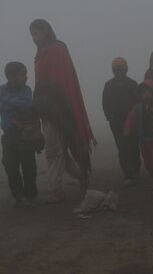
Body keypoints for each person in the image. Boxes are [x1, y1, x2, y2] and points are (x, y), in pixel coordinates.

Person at [30, 19, 95, 203]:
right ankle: (79, 177)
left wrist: (62, 104)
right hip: (46, 108)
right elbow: (40, 83)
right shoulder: (39, 55)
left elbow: (65, 78)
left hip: (63, 105)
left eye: (37, 33)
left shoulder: (58, 49)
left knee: (61, 149)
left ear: (46, 31)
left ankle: (55, 187)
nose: (34, 38)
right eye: (32, 35)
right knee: (55, 150)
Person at [0, 61, 38, 207]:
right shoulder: (1, 89)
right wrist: (16, 102)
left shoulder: (26, 90)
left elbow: (28, 104)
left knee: (28, 165)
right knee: (10, 165)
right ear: (11, 77)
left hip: (25, 134)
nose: (26, 77)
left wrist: (7, 101)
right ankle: (17, 195)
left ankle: (30, 196)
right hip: (8, 134)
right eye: (23, 74)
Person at [124, 80, 153, 198]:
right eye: (143, 93)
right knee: (148, 164)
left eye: (148, 92)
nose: (146, 95)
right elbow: (130, 120)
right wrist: (126, 131)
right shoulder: (137, 108)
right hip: (143, 141)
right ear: (140, 95)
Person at [102, 57, 140, 186]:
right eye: (116, 69)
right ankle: (129, 174)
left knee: (133, 146)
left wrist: (136, 117)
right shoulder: (109, 85)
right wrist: (110, 117)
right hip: (116, 121)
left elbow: (138, 102)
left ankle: (135, 171)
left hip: (131, 120)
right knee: (123, 148)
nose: (118, 71)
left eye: (120, 69)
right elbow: (105, 103)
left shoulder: (132, 84)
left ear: (125, 69)